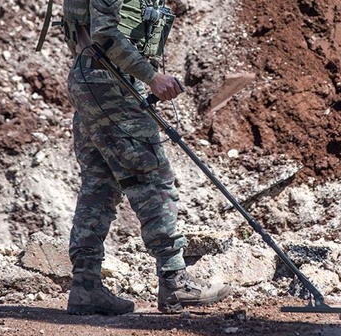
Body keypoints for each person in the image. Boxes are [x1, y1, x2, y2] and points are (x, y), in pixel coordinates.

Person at [59, 0, 231, 315]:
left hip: (95, 79)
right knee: (152, 178)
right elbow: (106, 33)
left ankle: (85, 287)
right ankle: (175, 281)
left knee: (100, 184)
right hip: (108, 81)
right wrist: (152, 76)